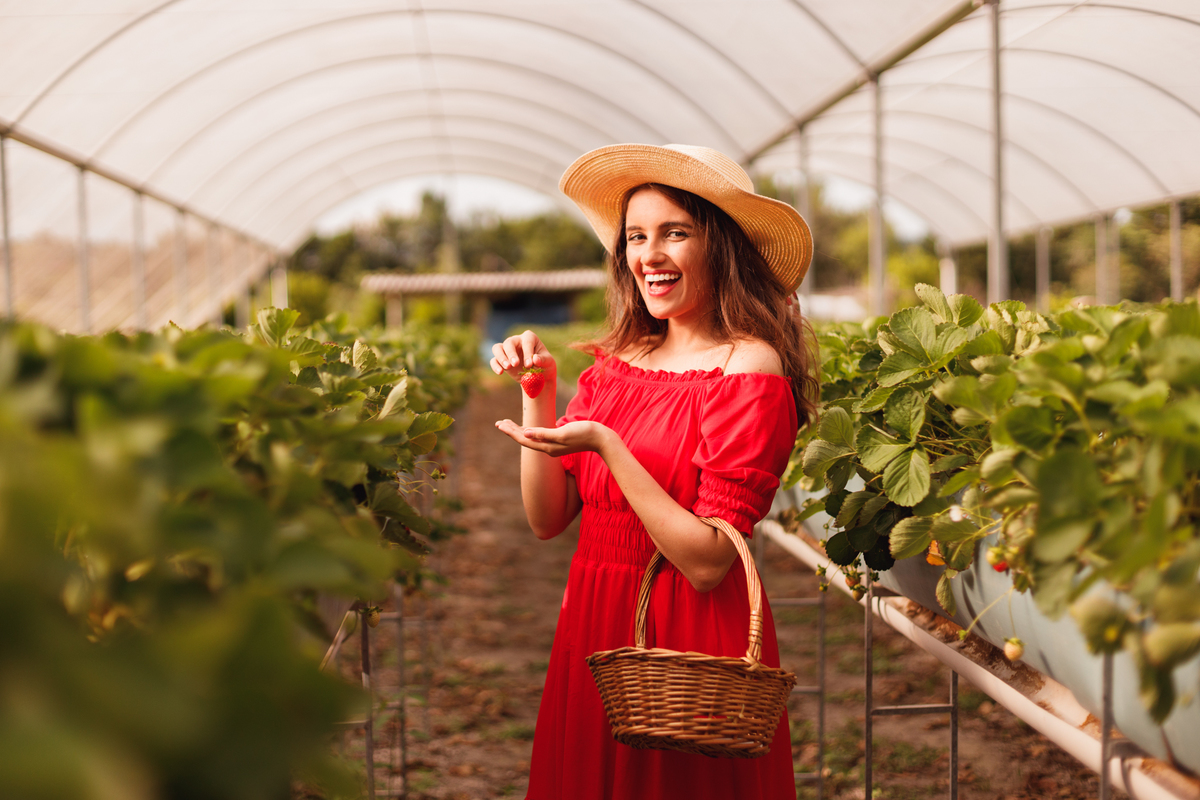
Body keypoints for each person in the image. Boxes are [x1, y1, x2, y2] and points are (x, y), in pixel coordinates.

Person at [492, 144, 819, 800]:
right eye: (637, 236)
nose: (649, 255)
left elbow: (708, 562)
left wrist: (611, 448)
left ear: (721, 247)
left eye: (675, 232)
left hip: (687, 634)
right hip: (595, 619)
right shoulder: (617, 364)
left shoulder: (747, 368)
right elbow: (547, 519)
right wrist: (539, 391)